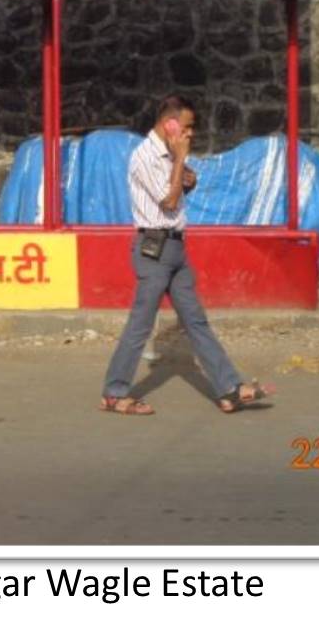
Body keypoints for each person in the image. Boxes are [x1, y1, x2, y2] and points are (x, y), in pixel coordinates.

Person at [100, 94, 275, 416]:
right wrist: (181, 162)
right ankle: (114, 392)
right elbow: (167, 203)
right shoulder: (145, 157)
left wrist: (187, 177)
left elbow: (177, 194)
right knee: (141, 324)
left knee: (195, 321)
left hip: (176, 248)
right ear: (170, 125)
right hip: (154, 249)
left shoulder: (168, 155)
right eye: (188, 127)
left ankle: (229, 389)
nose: (191, 134)